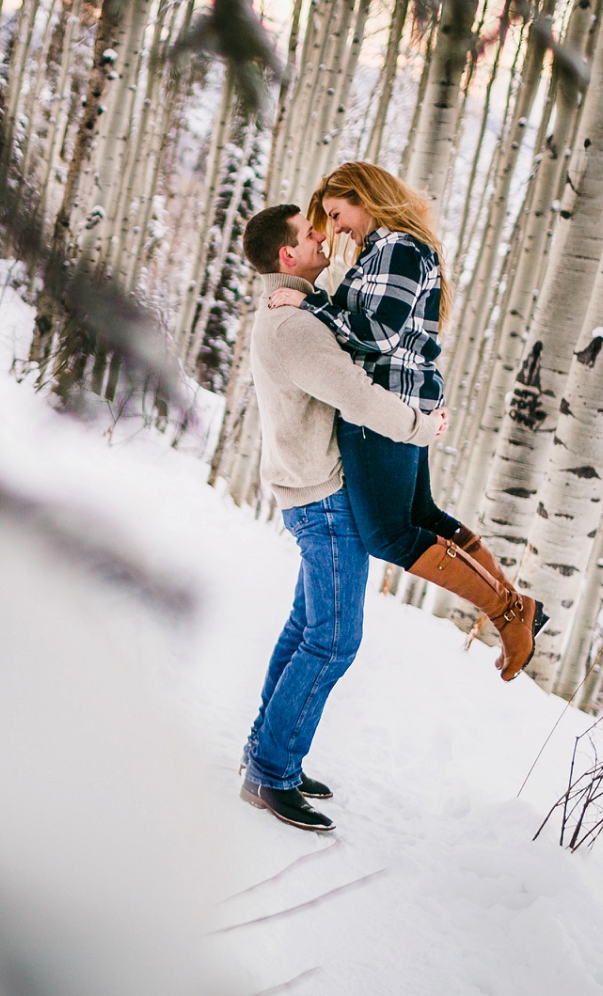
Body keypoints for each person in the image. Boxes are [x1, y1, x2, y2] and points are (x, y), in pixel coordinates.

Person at [267, 162, 544, 681]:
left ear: (364, 196)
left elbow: (378, 334)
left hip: (385, 407)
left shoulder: (398, 247)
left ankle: (508, 612)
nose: (336, 227)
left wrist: (309, 306)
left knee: (389, 534)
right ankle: (515, 609)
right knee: (422, 515)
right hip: (401, 403)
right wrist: (323, 303)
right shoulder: (385, 249)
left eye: (336, 212)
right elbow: (369, 322)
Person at [238, 203, 447, 832]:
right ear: (287, 257)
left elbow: (351, 314)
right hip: (323, 499)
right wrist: (419, 426)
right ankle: (271, 775)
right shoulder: (292, 328)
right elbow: (356, 394)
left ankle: (266, 755)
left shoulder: (294, 308)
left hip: (309, 490)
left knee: (307, 629)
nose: (323, 236)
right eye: (311, 234)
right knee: (333, 639)